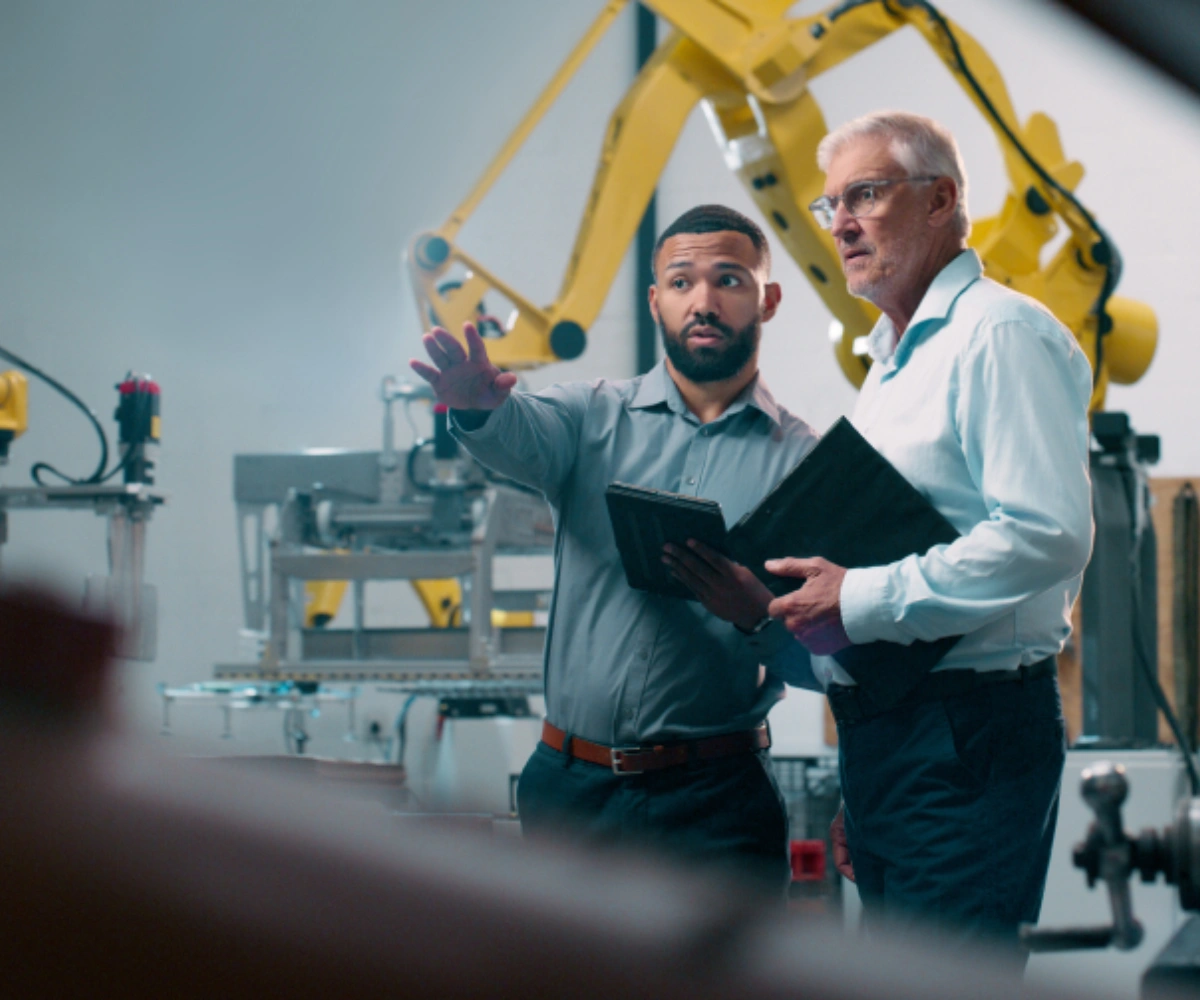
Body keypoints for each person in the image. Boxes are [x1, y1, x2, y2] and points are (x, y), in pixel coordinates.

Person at [410, 204, 821, 895]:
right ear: (655, 299)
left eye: (730, 279)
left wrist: (758, 617)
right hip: (569, 796)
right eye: (683, 282)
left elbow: (833, 660)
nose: (705, 301)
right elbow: (517, 431)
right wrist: (476, 408)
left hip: (716, 804)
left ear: (768, 299)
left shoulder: (805, 467)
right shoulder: (587, 415)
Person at [763, 111, 1093, 947]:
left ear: (941, 199)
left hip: (969, 732)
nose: (839, 223)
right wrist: (864, 775)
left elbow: (1047, 534)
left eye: (865, 195)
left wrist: (860, 595)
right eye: (831, 202)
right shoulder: (891, 358)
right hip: (899, 731)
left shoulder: (999, 334)